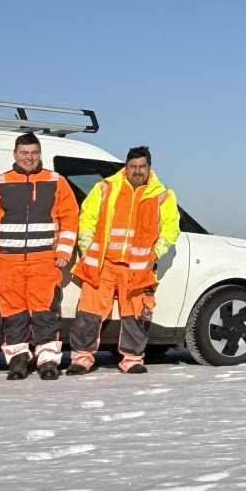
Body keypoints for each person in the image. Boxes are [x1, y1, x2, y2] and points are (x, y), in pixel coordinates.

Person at [67, 146, 180, 375]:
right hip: (102, 264)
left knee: (136, 316)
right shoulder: (105, 188)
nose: (137, 171)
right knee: (89, 313)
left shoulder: (163, 195)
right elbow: (86, 218)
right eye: (133, 166)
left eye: (142, 167)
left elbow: (171, 229)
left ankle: (132, 359)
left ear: (149, 168)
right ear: (125, 167)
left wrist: (155, 253)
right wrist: (87, 247)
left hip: (137, 268)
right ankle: (81, 359)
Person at [0, 133, 78, 381]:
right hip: (6, 263)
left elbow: (69, 218)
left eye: (33, 152)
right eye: (24, 152)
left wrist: (64, 251)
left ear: (40, 153)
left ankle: (47, 361)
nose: (29, 157)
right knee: (13, 314)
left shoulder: (57, 181)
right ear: (15, 154)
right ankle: (17, 359)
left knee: (46, 313)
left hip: (44, 261)